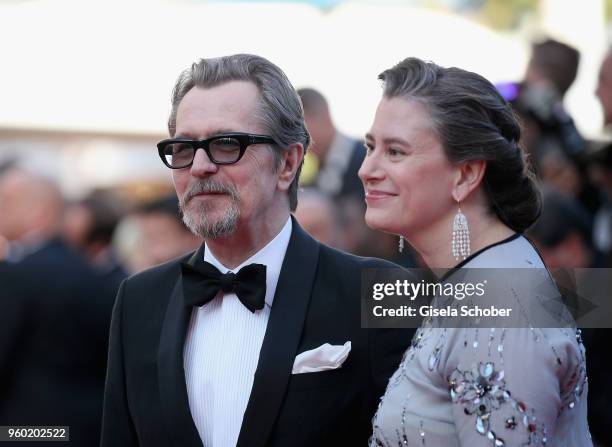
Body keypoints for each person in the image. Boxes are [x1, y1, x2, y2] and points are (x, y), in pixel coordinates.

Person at [100, 54, 412, 447]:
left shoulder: (378, 289)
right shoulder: (138, 299)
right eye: (183, 147)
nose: (199, 166)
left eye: (226, 144)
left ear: (287, 163)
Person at [359, 57, 591, 446]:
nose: (368, 169)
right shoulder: (482, 281)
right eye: (370, 147)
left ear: (466, 174)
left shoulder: (503, 313)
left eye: (395, 152)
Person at [0, 167, 117, 446]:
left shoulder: (16, 274)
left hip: (24, 431)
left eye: (6, 202)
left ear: (39, 212)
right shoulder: (91, 272)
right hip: (85, 427)